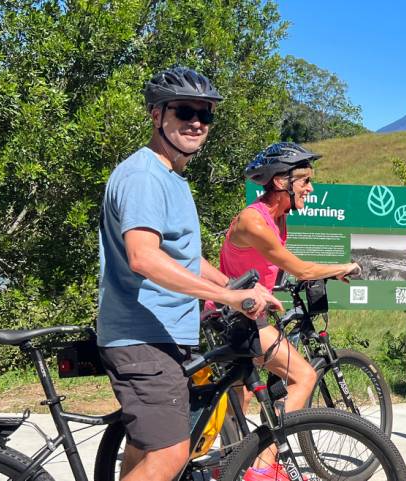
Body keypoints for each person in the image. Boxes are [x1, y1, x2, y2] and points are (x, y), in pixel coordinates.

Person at [96, 66, 282, 481]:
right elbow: (143, 257)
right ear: (157, 115)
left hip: (161, 334)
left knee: (145, 450)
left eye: (206, 115)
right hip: (142, 336)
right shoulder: (145, 176)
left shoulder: (171, 177)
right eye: (185, 111)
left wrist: (231, 287)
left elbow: (178, 256)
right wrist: (233, 299)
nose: (196, 122)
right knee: (171, 454)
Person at [215, 142, 359, 479]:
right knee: (304, 376)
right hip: (240, 317)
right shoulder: (255, 221)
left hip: (237, 313)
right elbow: (301, 268)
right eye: (305, 180)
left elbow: (269, 268)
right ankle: (264, 469)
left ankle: (229, 467)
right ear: (281, 182)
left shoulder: (278, 221)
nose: (310, 188)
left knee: (240, 397)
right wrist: (345, 266)